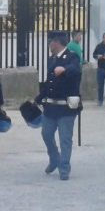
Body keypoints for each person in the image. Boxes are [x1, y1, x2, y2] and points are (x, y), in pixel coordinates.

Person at [36, 30, 82, 180]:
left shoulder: (72, 57)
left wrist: (64, 69)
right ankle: (55, 158)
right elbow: (49, 83)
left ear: (55, 43)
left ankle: (64, 168)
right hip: (51, 107)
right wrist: (37, 99)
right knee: (46, 134)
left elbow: (76, 68)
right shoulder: (52, 59)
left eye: (50, 42)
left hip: (66, 108)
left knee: (65, 138)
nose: (49, 45)